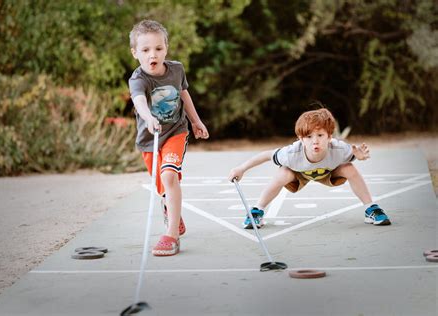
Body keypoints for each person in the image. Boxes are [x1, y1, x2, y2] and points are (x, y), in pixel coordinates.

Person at [228, 107, 391, 229]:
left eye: (320, 135)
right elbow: (266, 155)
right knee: (283, 173)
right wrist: (241, 168)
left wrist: (360, 157)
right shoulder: (291, 153)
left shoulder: (340, 149)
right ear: (300, 138)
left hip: (328, 172)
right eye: (309, 136)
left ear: (329, 137)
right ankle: (257, 210)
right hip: (299, 174)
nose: (315, 141)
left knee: (349, 168)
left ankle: (371, 208)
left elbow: (356, 154)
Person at [128, 20, 209, 256]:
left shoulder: (176, 70)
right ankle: (170, 208)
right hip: (149, 138)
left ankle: (171, 235)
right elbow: (139, 102)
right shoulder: (138, 79)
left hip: (175, 131)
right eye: (145, 50)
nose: (153, 55)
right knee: (163, 187)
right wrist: (147, 117)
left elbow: (184, 94)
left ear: (166, 48)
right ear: (135, 53)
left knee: (169, 174)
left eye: (158, 48)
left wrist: (196, 121)